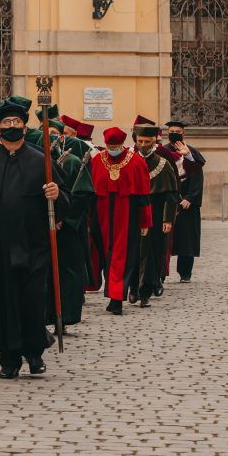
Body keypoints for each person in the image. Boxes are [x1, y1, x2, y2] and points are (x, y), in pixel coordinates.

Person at [0, 100, 68, 380]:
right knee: (2, 301)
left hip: (34, 245)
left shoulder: (42, 161)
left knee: (32, 300)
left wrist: (56, 196)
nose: (12, 127)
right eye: (6, 123)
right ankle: (9, 359)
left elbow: (66, 204)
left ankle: (34, 354)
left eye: (17, 122)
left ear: (25, 127)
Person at [78, 127, 151, 316]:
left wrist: (145, 222)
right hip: (100, 219)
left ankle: (117, 298)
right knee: (106, 257)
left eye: (116, 146)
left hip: (128, 218)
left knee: (121, 258)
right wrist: (87, 220)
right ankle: (113, 295)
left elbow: (143, 195)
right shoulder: (96, 161)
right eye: (110, 146)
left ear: (122, 145)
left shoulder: (136, 161)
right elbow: (89, 193)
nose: (112, 149)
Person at [45, 120, 93, 330]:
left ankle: (64, 318)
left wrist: (64, 218)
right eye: (47, 134)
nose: (52, 138)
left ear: (62, 136)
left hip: (69, 228)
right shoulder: (37, 161)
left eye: (55, 133)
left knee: (67, 274)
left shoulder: (72, 162)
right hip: (44, 228)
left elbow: (82, 196)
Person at [132, 125, 179, 307]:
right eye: (141, 141)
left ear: (154, 142)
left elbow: (171, 194)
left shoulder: (163, 164)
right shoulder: (131, 161)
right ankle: (133, 288)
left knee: (152, 252)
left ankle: (146, 291)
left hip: (156, 215)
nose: (143, 145)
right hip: (135, 214)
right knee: (134, 252)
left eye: (147, 142)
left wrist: (168, 219)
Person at [164, 120, 206, 282]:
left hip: (187, 204)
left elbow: (197, 177)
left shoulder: (192, 153)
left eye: (178, 131)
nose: (174, 133)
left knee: (186, 240)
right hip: (167, 200)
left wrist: (190, 197)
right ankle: (161, 272)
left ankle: (185, 273)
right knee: (164, 240)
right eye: (171, 130)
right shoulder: (162, 152)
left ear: (183, 133)